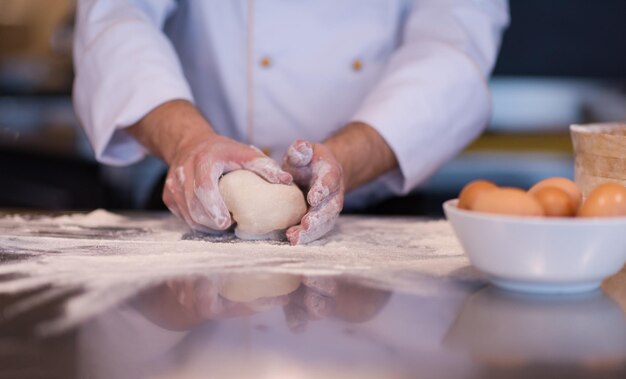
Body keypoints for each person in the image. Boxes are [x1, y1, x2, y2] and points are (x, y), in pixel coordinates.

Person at [73, 0, 509, 244]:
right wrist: (188, 140)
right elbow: (115, 18)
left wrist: (348, 159)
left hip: (373, 217)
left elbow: (453, 47)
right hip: (194, 205)